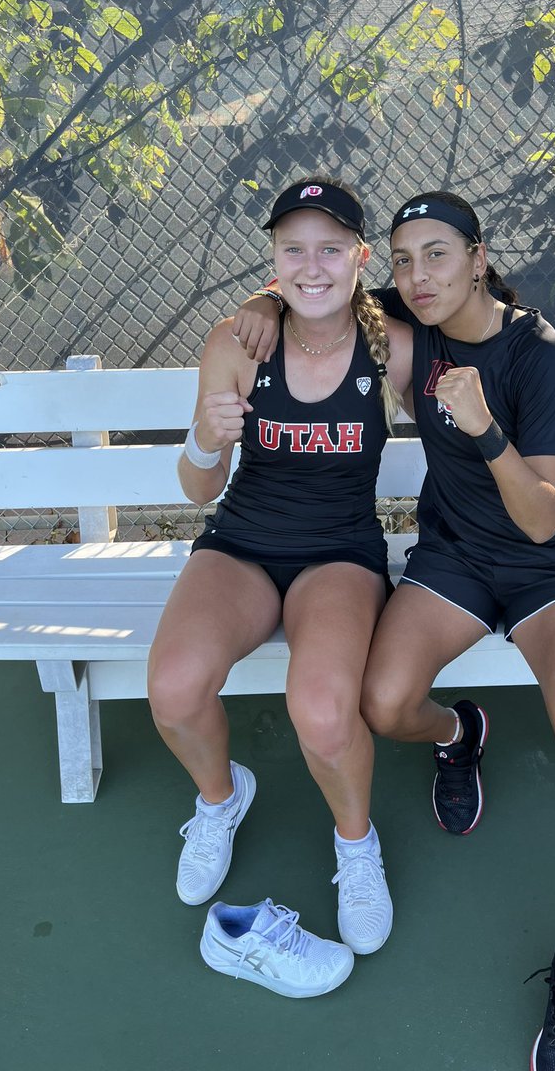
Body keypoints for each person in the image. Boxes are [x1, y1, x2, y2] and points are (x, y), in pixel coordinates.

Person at [234, 191, 555, 1071]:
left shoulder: (538, 357)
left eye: (437, 256)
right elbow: (318, 296)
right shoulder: (411, 324)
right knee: (382, 701)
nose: (418, 276)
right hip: (453, 560)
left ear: (479, 257)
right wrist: (262, 303)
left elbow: (540, 517)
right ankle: (461, 733)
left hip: (549, 565)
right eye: (404, 261)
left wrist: (485, 433)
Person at [148, 177, 412, 966]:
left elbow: (462, 339)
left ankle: (357, 848)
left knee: (325, 713)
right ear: (272, 259)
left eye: (330, 248)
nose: (312, 265)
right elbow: (198, 486)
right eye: (292, 249)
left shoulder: (389, 345)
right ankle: (220, 799)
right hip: (243, 545)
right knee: (173, 687)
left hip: (339, 554)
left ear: (361, 258)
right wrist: (204, 434)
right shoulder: (238, 339)